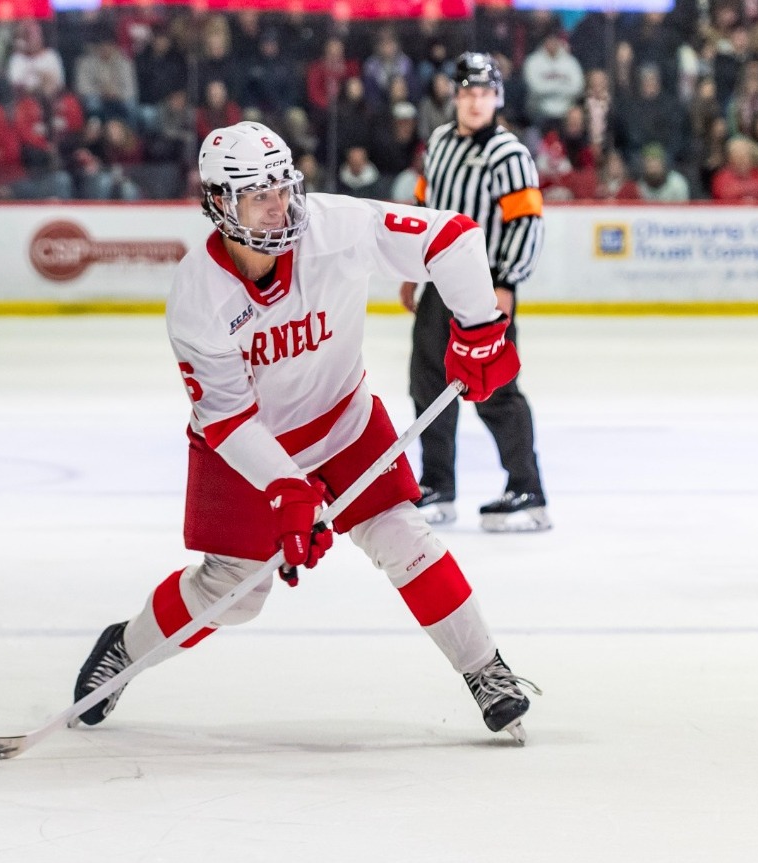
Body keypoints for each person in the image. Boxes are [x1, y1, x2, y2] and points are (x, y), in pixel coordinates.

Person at [72, 121, 540, 741]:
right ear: (218, 203)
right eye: (257, 195)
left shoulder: (334, 226)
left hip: (344, 419)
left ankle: (487, 671)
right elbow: (228, 417)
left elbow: (452, 238)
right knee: (235, 589)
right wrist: (287, 488)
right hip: (247, 449)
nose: (278, 205)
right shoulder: (197, 295)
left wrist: (480, 329)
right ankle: (125, 649)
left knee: (403, 533)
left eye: (282, 188)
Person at [400, 52, 551, 532]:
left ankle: (528, 491)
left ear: (497, 98)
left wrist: (506, 281)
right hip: (438, 286)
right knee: (427, 384)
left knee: (495, 388)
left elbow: (526, 222)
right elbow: (424, 209)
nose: (474, 102)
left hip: (485, 289)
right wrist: (411, 268)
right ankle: (437, 485)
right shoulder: (440, 142)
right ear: (455, 97)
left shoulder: (509, 153)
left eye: (483, 93)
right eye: (467, 93)